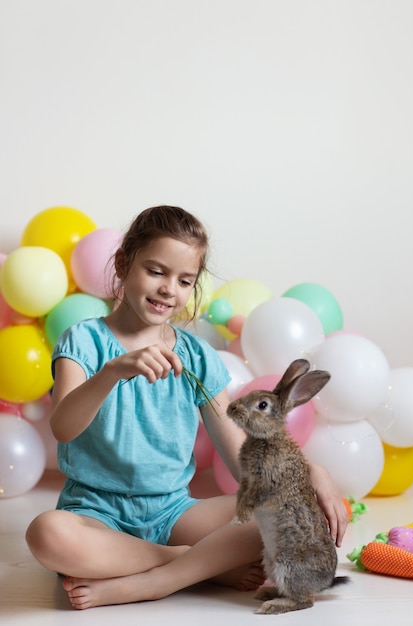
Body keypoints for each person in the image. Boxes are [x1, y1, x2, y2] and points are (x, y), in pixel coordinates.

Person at [25, 205, 348, 610]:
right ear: (124, 264)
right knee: (46, 534)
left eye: (184, 280)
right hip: (95, 514)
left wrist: (309, 472)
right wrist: (111, 373)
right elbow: (63, 428)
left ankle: (154, 581)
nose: (168, 290)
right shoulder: (83, 341)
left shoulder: (196, 357)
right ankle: (186, 565)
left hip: (174, 514)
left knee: (287, 511)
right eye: (156, 271)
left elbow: (241, 462)